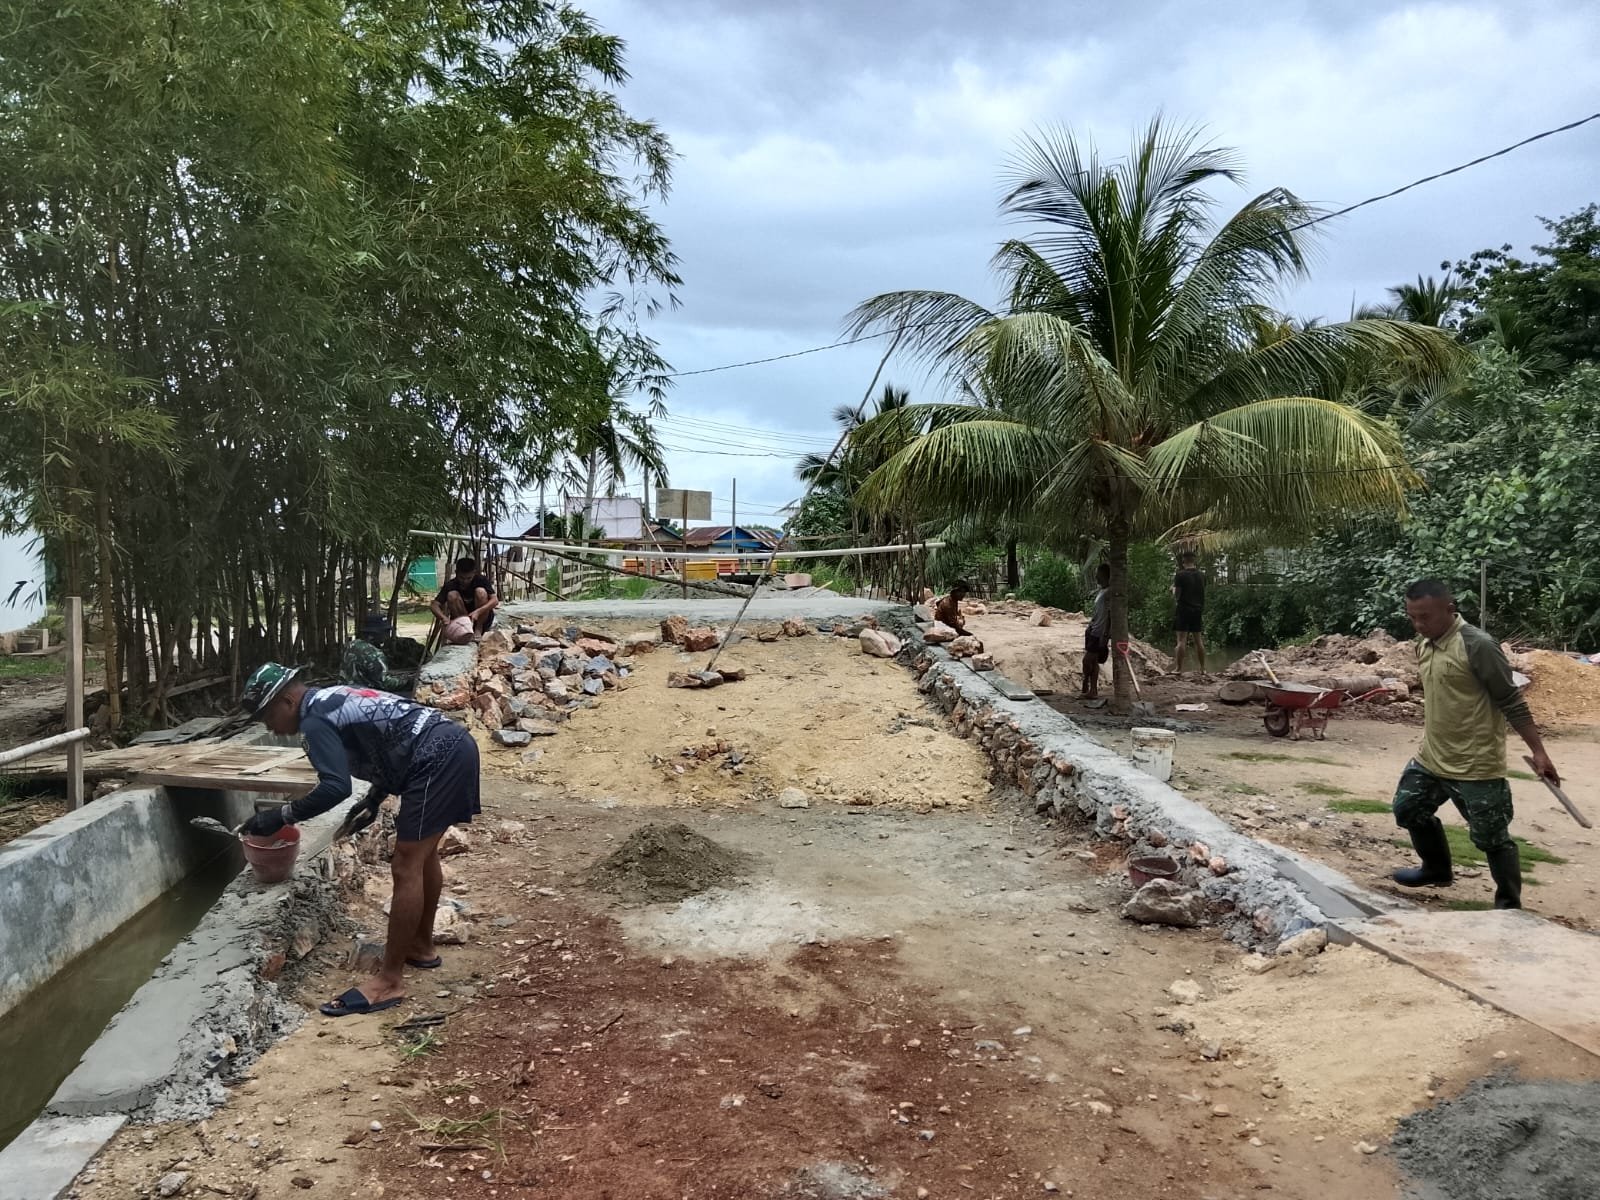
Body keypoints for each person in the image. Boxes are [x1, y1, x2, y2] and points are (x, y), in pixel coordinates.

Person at [239, 662, 481, 1015]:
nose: (269, 728)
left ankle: (389, 981)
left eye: (267, 717)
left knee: (406, 865)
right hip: (451, 745)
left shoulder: (314, 721)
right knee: (424, 856)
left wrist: (280, 816)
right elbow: (386, 738)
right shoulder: (331, 697)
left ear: (287, 701)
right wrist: (374, 798)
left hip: (435, 758)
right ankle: (421, 947)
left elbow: (335, 787)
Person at [1390, 579, 1559, 910]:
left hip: (1476, 765)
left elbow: (1511, 700)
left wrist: (1539, 752)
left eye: (1425, 617)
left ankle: (1508, 903)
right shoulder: (1424, 645)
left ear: (1449, 609)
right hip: (1431, 758)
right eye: (1412, 617)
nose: (1419, 625)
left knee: (1491, 837)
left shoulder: (1477, 645)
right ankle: (1436, 869)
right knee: (1408, 809)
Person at [340, 614, 412, 694]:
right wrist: (406, 681)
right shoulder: (375, 654)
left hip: (344, 690)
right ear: (373, 634)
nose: (387, 635)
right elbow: (385, 683)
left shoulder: (352, 644)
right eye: (384, 632)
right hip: (362, 694)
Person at [430, 557, 499, 641]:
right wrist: (443, 618)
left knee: (480, 592)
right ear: (456, 573)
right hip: (462, 619)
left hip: (482, 619)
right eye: (462, 578)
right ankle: (466, 628)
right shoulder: (450, 585)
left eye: (469, 578)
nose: (465, 581)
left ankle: (478, 628)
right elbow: (434, 605)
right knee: (452, 595)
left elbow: (495, 600)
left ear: (474, 573)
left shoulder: (481, 580)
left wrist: (478, 612)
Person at [1172, 551, 1207, 674]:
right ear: (1194, 560)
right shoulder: (1202, 575)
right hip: (1197, 610)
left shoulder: (1180, 575)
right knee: (1199, 640)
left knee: (1181, 640)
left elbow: (1177, 595)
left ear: (1183, 561)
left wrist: (1173, 590)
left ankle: (1178, 669)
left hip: (1183, 610)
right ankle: (1202, 669)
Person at [1081, 562, 1112, 700]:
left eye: (1098, 574)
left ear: (1105, 575)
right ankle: (1092, 690)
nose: (1096, 577)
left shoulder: (1109, 593)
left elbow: (1110, 615)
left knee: (1087, 660)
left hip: (1099, 632)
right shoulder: (1102, 591)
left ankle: (1086, 683)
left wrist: (1106, 634)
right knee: (1093, 662)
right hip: (1093, 630)